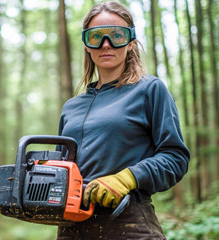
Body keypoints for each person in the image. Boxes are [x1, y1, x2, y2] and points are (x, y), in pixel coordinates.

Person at [56, 1, 190, 239]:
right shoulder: (71, 107)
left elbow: (175, 157)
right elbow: (62, 167)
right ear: (87, 45)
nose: (106, 44)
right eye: (96, 36)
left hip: (129, 222)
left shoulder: (150, 90)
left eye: (116, 35)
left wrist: (129, 177)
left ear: (130, 43)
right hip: (71, 227)